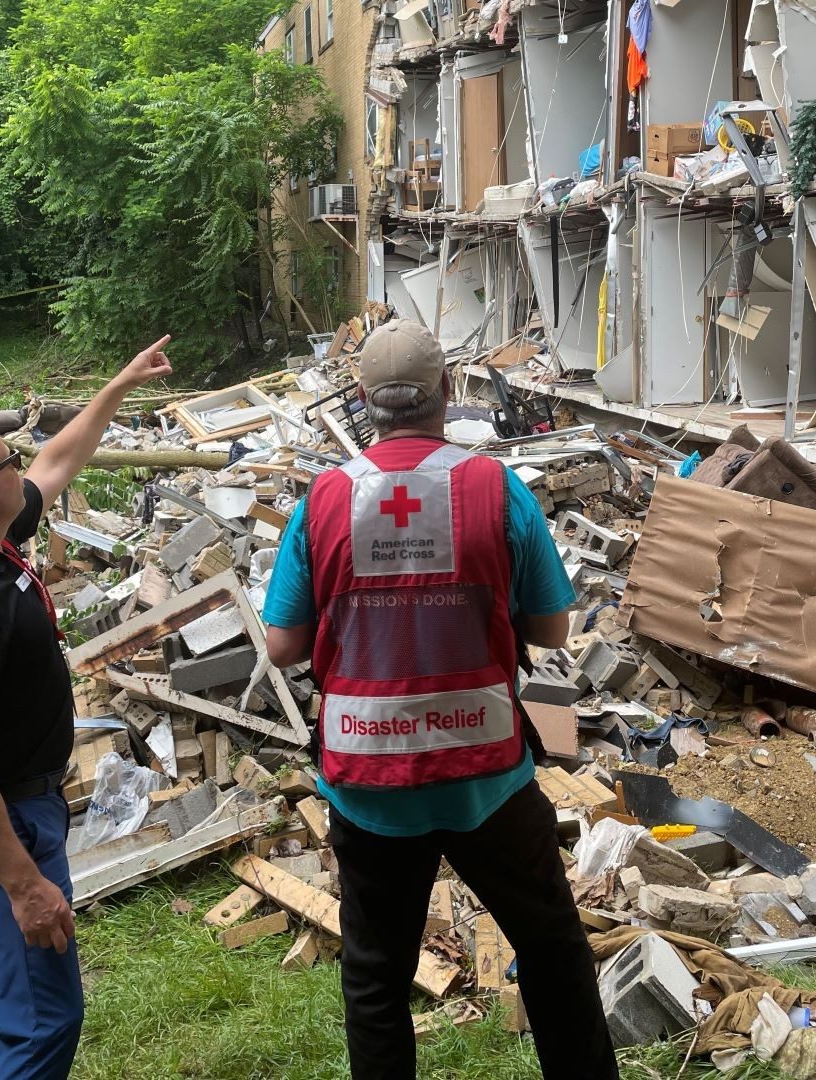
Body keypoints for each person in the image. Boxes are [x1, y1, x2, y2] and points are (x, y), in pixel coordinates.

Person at [264, 320, 617, 1080]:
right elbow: (552, 629)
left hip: (367, 782)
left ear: (362, 399)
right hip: (486, 775)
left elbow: (283, 646)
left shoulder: (326, 496)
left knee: (376, 976)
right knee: (553, 949)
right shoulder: (495, 487)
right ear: (447, 392)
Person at [0, 335, 173, 1080]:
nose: (26, 463)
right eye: (7, 460)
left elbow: (61, 458)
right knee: (48, 1020)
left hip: (20, 806)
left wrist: (119, 381)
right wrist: (24, 883)